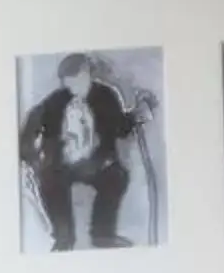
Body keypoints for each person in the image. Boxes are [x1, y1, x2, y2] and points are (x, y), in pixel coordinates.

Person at [19, 54, 138, 249]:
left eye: (76, 84)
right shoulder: (57, 100)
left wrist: (136, 116)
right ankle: (63, 237)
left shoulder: (107, 96)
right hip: (63, 163)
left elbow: (121, 128)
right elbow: (32, 123)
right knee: (49, 180)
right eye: (68, 85)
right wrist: (31, 157)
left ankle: (103, 235)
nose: (72, 90)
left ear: (87, 75)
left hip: (97, 161)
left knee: (117, 176)